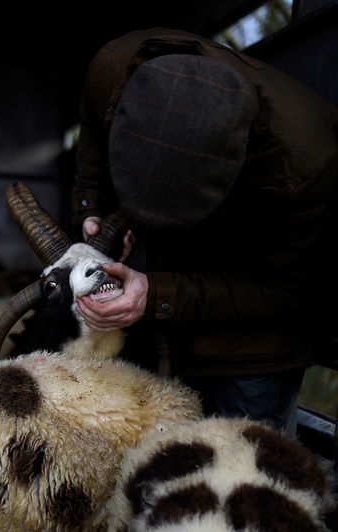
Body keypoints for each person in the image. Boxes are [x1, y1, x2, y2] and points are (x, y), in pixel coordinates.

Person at [71, 27, 338, 437]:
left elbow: (285, 293)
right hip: (165, 315)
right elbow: (91, 130)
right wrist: (96, 209)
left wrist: (156, 294)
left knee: (248, 475)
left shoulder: (305, 165)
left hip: (254, 345)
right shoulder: (113, 69)